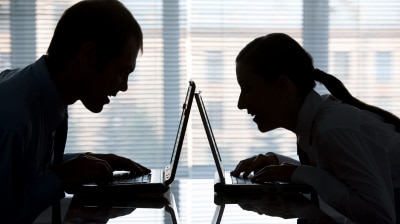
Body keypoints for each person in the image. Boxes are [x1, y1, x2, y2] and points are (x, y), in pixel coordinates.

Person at [0, 0, 151, 223]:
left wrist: (84, 162)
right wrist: (63, 176)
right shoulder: (13, 118)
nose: (124, 87)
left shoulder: (47, 98)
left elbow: (24, 172)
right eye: (122, 72)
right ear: (88, 55)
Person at [230, 33, 400, 224]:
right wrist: (281, 164)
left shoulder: (331, 130)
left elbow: (381, 217)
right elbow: (337, 178)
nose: (240, 104)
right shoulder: (320, 123)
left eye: (247, 88)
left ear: (283, 86)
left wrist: (298, 173)